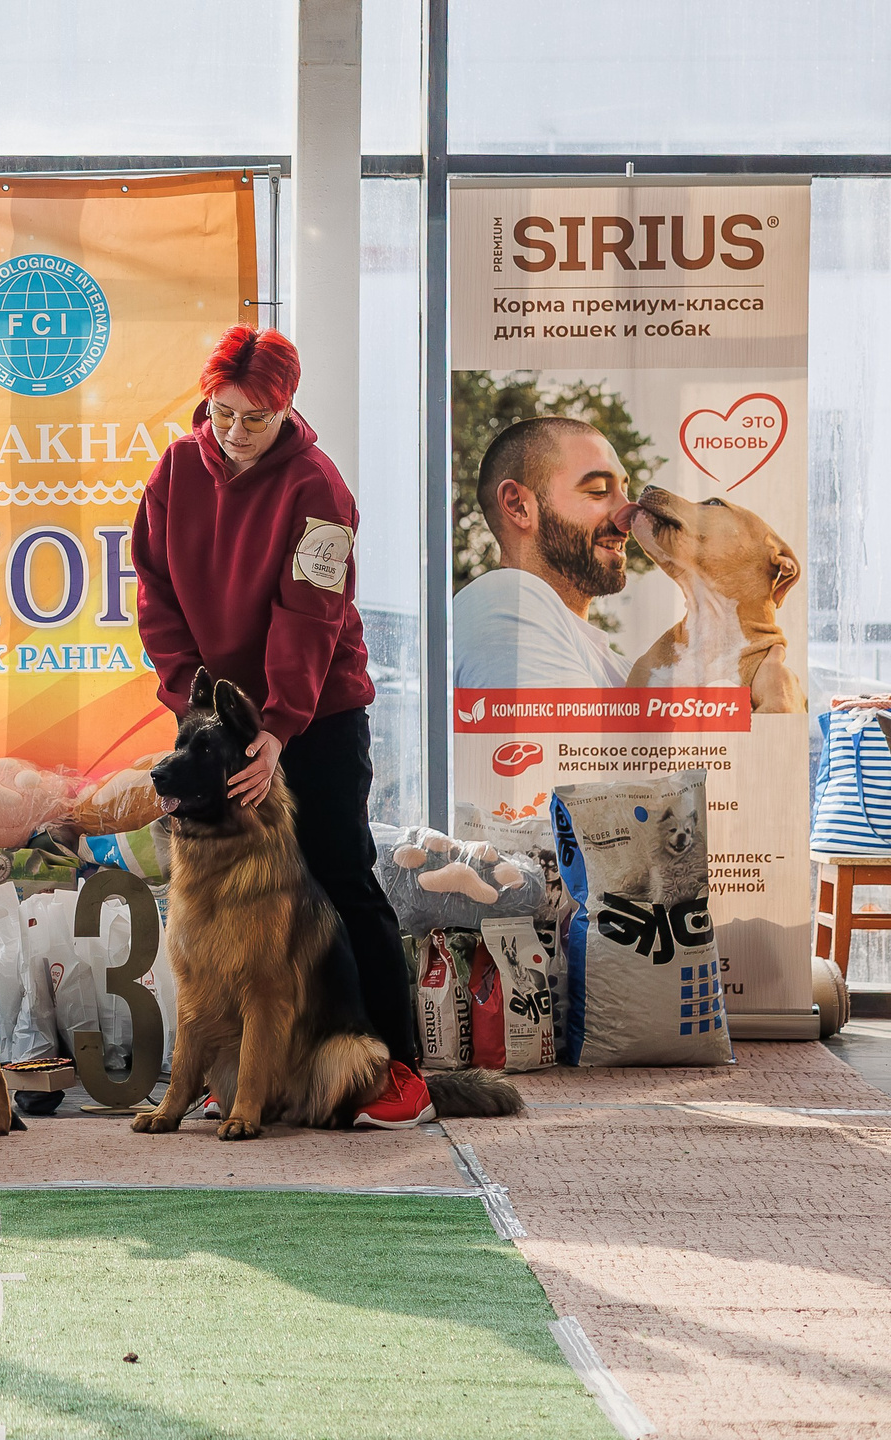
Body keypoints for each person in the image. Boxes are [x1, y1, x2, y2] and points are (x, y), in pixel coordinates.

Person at [131, 325, 430, 1128]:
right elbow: (155, 591)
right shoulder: (174, 471)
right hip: (216, 713)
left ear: (288, 408)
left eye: (254, 418)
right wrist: (192, 700)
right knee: (211, 898)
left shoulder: (318, 487)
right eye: (221, 413)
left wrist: (280, 728)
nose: (234, 432)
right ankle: (227, 1068)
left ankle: (398, 1065)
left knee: (337, 875)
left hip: (317, 710)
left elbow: (310, 613)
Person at [452, 416, 635, 690]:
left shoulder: (621, 670)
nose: (628, 515)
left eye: (626, 491)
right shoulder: (506, 598)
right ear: (518, 506)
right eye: (598, 491)